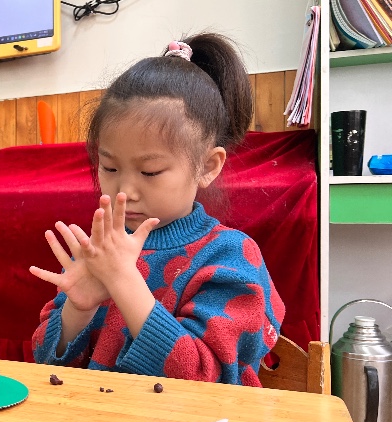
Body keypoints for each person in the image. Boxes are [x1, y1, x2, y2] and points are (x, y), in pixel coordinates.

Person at [30, 34, 285, 386]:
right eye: (109, 167)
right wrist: (79, 308)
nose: (125, 190)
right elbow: (47, 366)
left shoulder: (231, 256)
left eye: (150, 172)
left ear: (208, 166)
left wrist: (123, 280)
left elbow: (203, 379)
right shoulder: (99, 250)